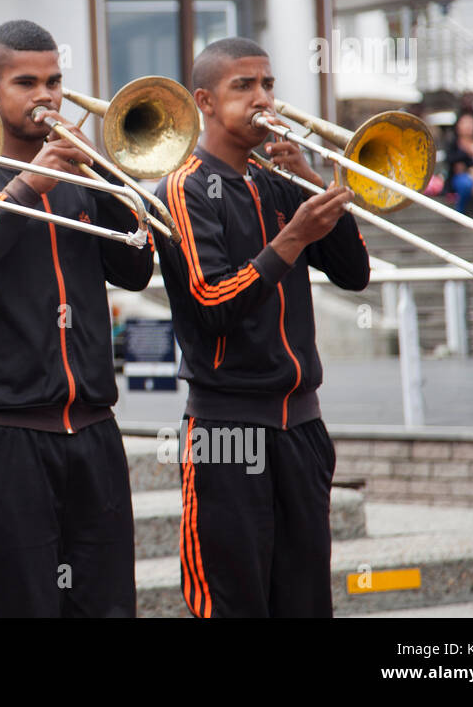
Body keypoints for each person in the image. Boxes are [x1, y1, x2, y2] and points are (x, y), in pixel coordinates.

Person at [0, 19, 154, 617]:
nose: (46, 96)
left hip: (95, 429)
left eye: (54, 81)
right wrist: (28, 186)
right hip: (5, 434)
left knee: (106, 607)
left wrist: (102, 176)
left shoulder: (84, 176)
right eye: (26, 82)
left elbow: (135, 269)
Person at [152, 37, 371, 618]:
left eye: (268, 84)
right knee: (231, 604)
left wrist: (313, 185)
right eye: (243, 86)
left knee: (305, 603)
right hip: (228, 431)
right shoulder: (185, 186)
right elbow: (212, 302)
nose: (262, 97)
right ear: (204, 100)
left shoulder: (276, 180)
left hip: (301, 425)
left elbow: (354, 274)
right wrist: (291, 238)